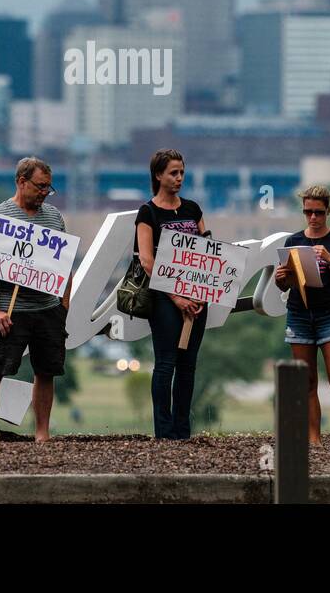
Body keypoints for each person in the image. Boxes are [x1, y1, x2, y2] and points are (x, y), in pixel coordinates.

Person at [0, 156, 70, 443]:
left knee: (45, 372)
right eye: (40, 186)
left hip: (47, 309)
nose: (44, 192)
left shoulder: (54, 217)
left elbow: (65, 264)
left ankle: (42, 433)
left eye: (48, 188)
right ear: (21, 181)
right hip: (11, 312)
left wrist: (64, 305)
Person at [273, 185, 330, 443]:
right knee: (307, 381)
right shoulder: (293, 241)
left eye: (318, 212)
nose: (313, 218)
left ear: (327, 211)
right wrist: (280, 279)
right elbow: (286, 285)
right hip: (299, 313)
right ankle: (314, 440)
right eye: (308, 212)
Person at [135, 148, 208, 440]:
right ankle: (163, 431)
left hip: (198, 297)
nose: (179, 178)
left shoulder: (193, 209)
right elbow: (146, 259)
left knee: (188, 365)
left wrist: (203, 292)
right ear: (158, 175)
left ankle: (182, 430)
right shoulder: (148, 212)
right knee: (166, 363)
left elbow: (208, 250)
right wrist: (176, 297)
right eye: (173, 173)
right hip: (165, 299)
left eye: (182, 173)